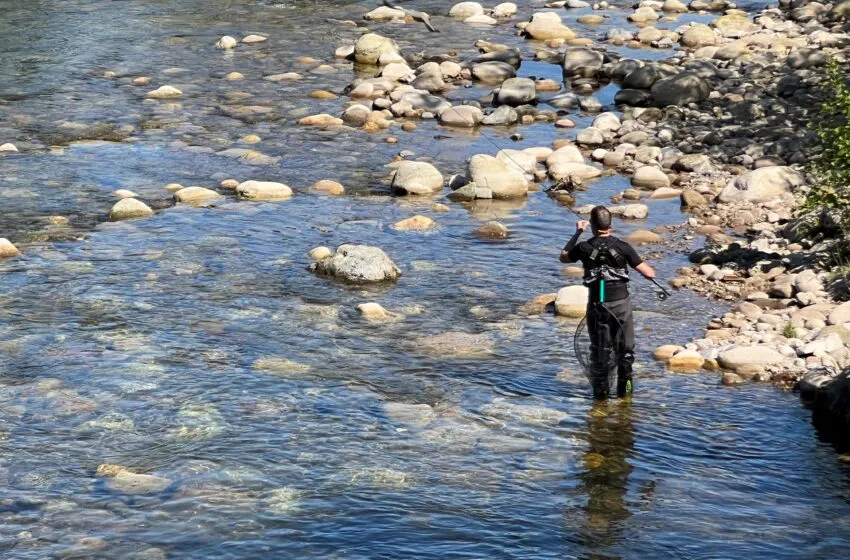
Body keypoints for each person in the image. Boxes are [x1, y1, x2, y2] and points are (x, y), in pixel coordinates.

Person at [559, 206, 656, 399]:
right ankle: (626, 399)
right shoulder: (623, 247)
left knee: (600, 354)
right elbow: (649, 273)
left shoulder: (584, 247)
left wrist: (577, 233)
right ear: (610, 225)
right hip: (621, 305)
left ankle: (600, 402)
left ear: (592, 226)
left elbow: (563, 257)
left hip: (597, 304)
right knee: (626, 353)